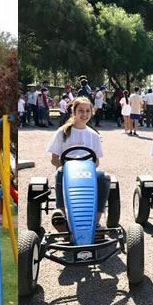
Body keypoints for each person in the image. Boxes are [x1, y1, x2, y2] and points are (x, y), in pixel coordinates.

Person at [46, 97, 108, 232]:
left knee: (104, 178)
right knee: (59, 173)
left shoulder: (94, 135)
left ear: (92, 113)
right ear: (73, 112)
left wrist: (87, 166)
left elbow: (96, 161)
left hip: (87, 171)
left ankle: (95, 221)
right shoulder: (62, 132)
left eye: (87, 111)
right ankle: (62, 215)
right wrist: (66, 165)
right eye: (81, 111)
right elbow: (54, 159)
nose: (84, 114)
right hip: (67, 170)